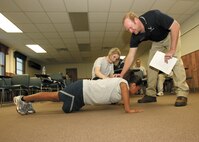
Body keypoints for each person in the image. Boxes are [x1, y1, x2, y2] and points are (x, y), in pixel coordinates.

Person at [120, 10, 189, 107]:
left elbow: (175, 26)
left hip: (170, 34)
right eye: (128, 30)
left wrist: (172, 49)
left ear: (136, 20)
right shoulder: (135, 36)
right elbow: (130, 56)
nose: (131, 31)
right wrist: (121, 74)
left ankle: (182, 93)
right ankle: (150, 94)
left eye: (131, 27)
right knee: (151, 64)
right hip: (157, 42)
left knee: (175, 60)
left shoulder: (154, 16)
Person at [13, 71, 143, 115]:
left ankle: (26, 101)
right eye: (138, 89)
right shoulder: (123, 83)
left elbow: (109, 93)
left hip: (82, 96)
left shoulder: (119, 87)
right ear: (133, 84)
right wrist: (128, 109)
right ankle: (23, 99)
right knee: (55, 97)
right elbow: (124, 89)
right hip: (80, 90)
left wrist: (120, 103)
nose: (137, 92)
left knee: (66, 106)